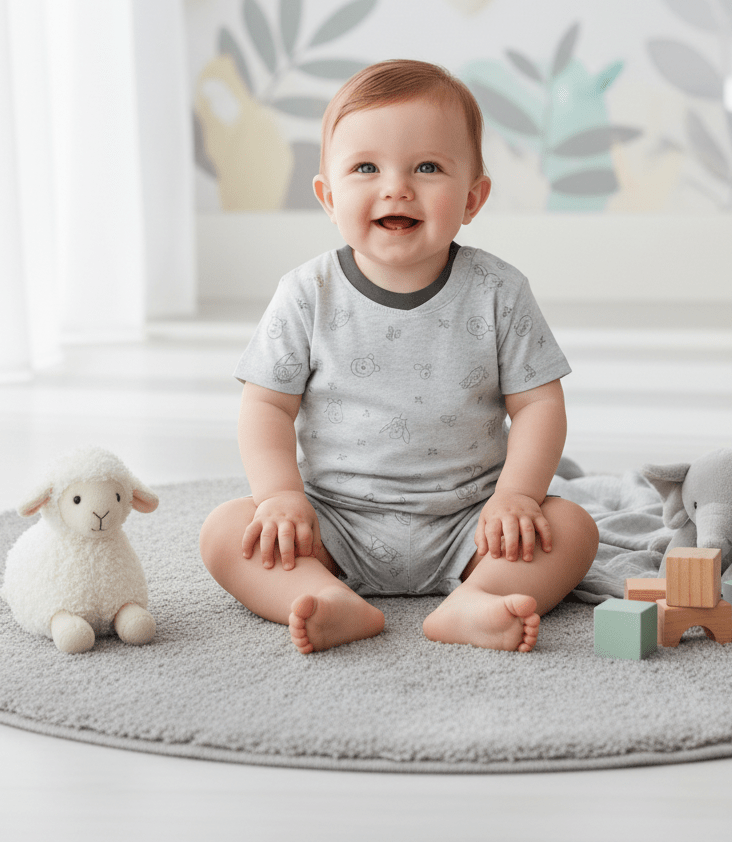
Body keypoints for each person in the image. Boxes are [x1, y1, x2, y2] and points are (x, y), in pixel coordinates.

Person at [200, 59, 599, 654]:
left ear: (473, 197)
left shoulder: (498, 291)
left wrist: (515, 495)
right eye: (366, 167)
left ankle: (477, 599)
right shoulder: (306, 294)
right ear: (328, 197)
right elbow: (266, 405)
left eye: (428, 167)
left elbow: (540, 402)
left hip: (472, 521)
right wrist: (282, 497)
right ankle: (321, 597)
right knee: (225, 532)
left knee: (572, 528)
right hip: (333, 522)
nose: (396, 187)